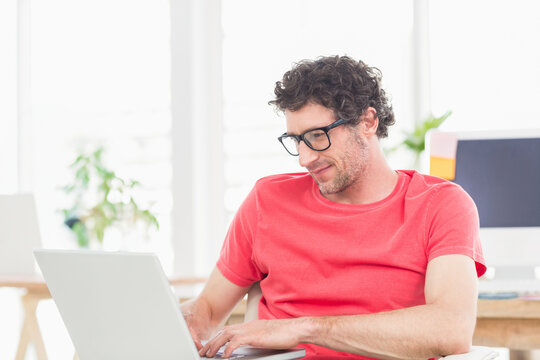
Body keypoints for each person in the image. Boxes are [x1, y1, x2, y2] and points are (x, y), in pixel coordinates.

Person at [181, 55, 486, 360]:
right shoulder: (266, 200)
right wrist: (182, 321)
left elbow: (450, 330)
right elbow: (207, 310)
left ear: (368, 122)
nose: (305, 158)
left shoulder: (441, 205)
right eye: (296, 140)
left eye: (317, 136)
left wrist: (304, 329)